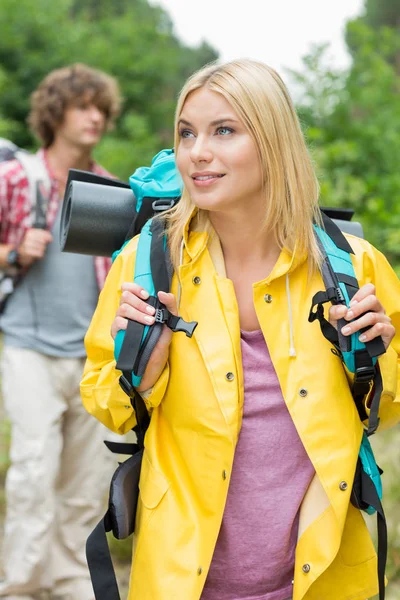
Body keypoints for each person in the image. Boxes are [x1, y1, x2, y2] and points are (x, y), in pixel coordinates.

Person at [81, 58, 400, 600]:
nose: (197, 152)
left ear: (273, 141)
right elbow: (105, 398)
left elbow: (385, 408)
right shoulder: (147, 261)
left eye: (223, 130)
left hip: (321, 575)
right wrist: (142, 373)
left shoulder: (354, 265)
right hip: (183, 577)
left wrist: (376, 357)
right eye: (186, 133)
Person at [0, 63, 122, 600]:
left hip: (91, 357)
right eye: (82, 106)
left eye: (101, 108)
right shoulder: (17, 178)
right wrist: (10, 253)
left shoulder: (113, 192)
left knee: (82, 482)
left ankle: (70, 578)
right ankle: (22, 583)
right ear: (57, 113)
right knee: (32, 470)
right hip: (27, 346)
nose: (94, 117)